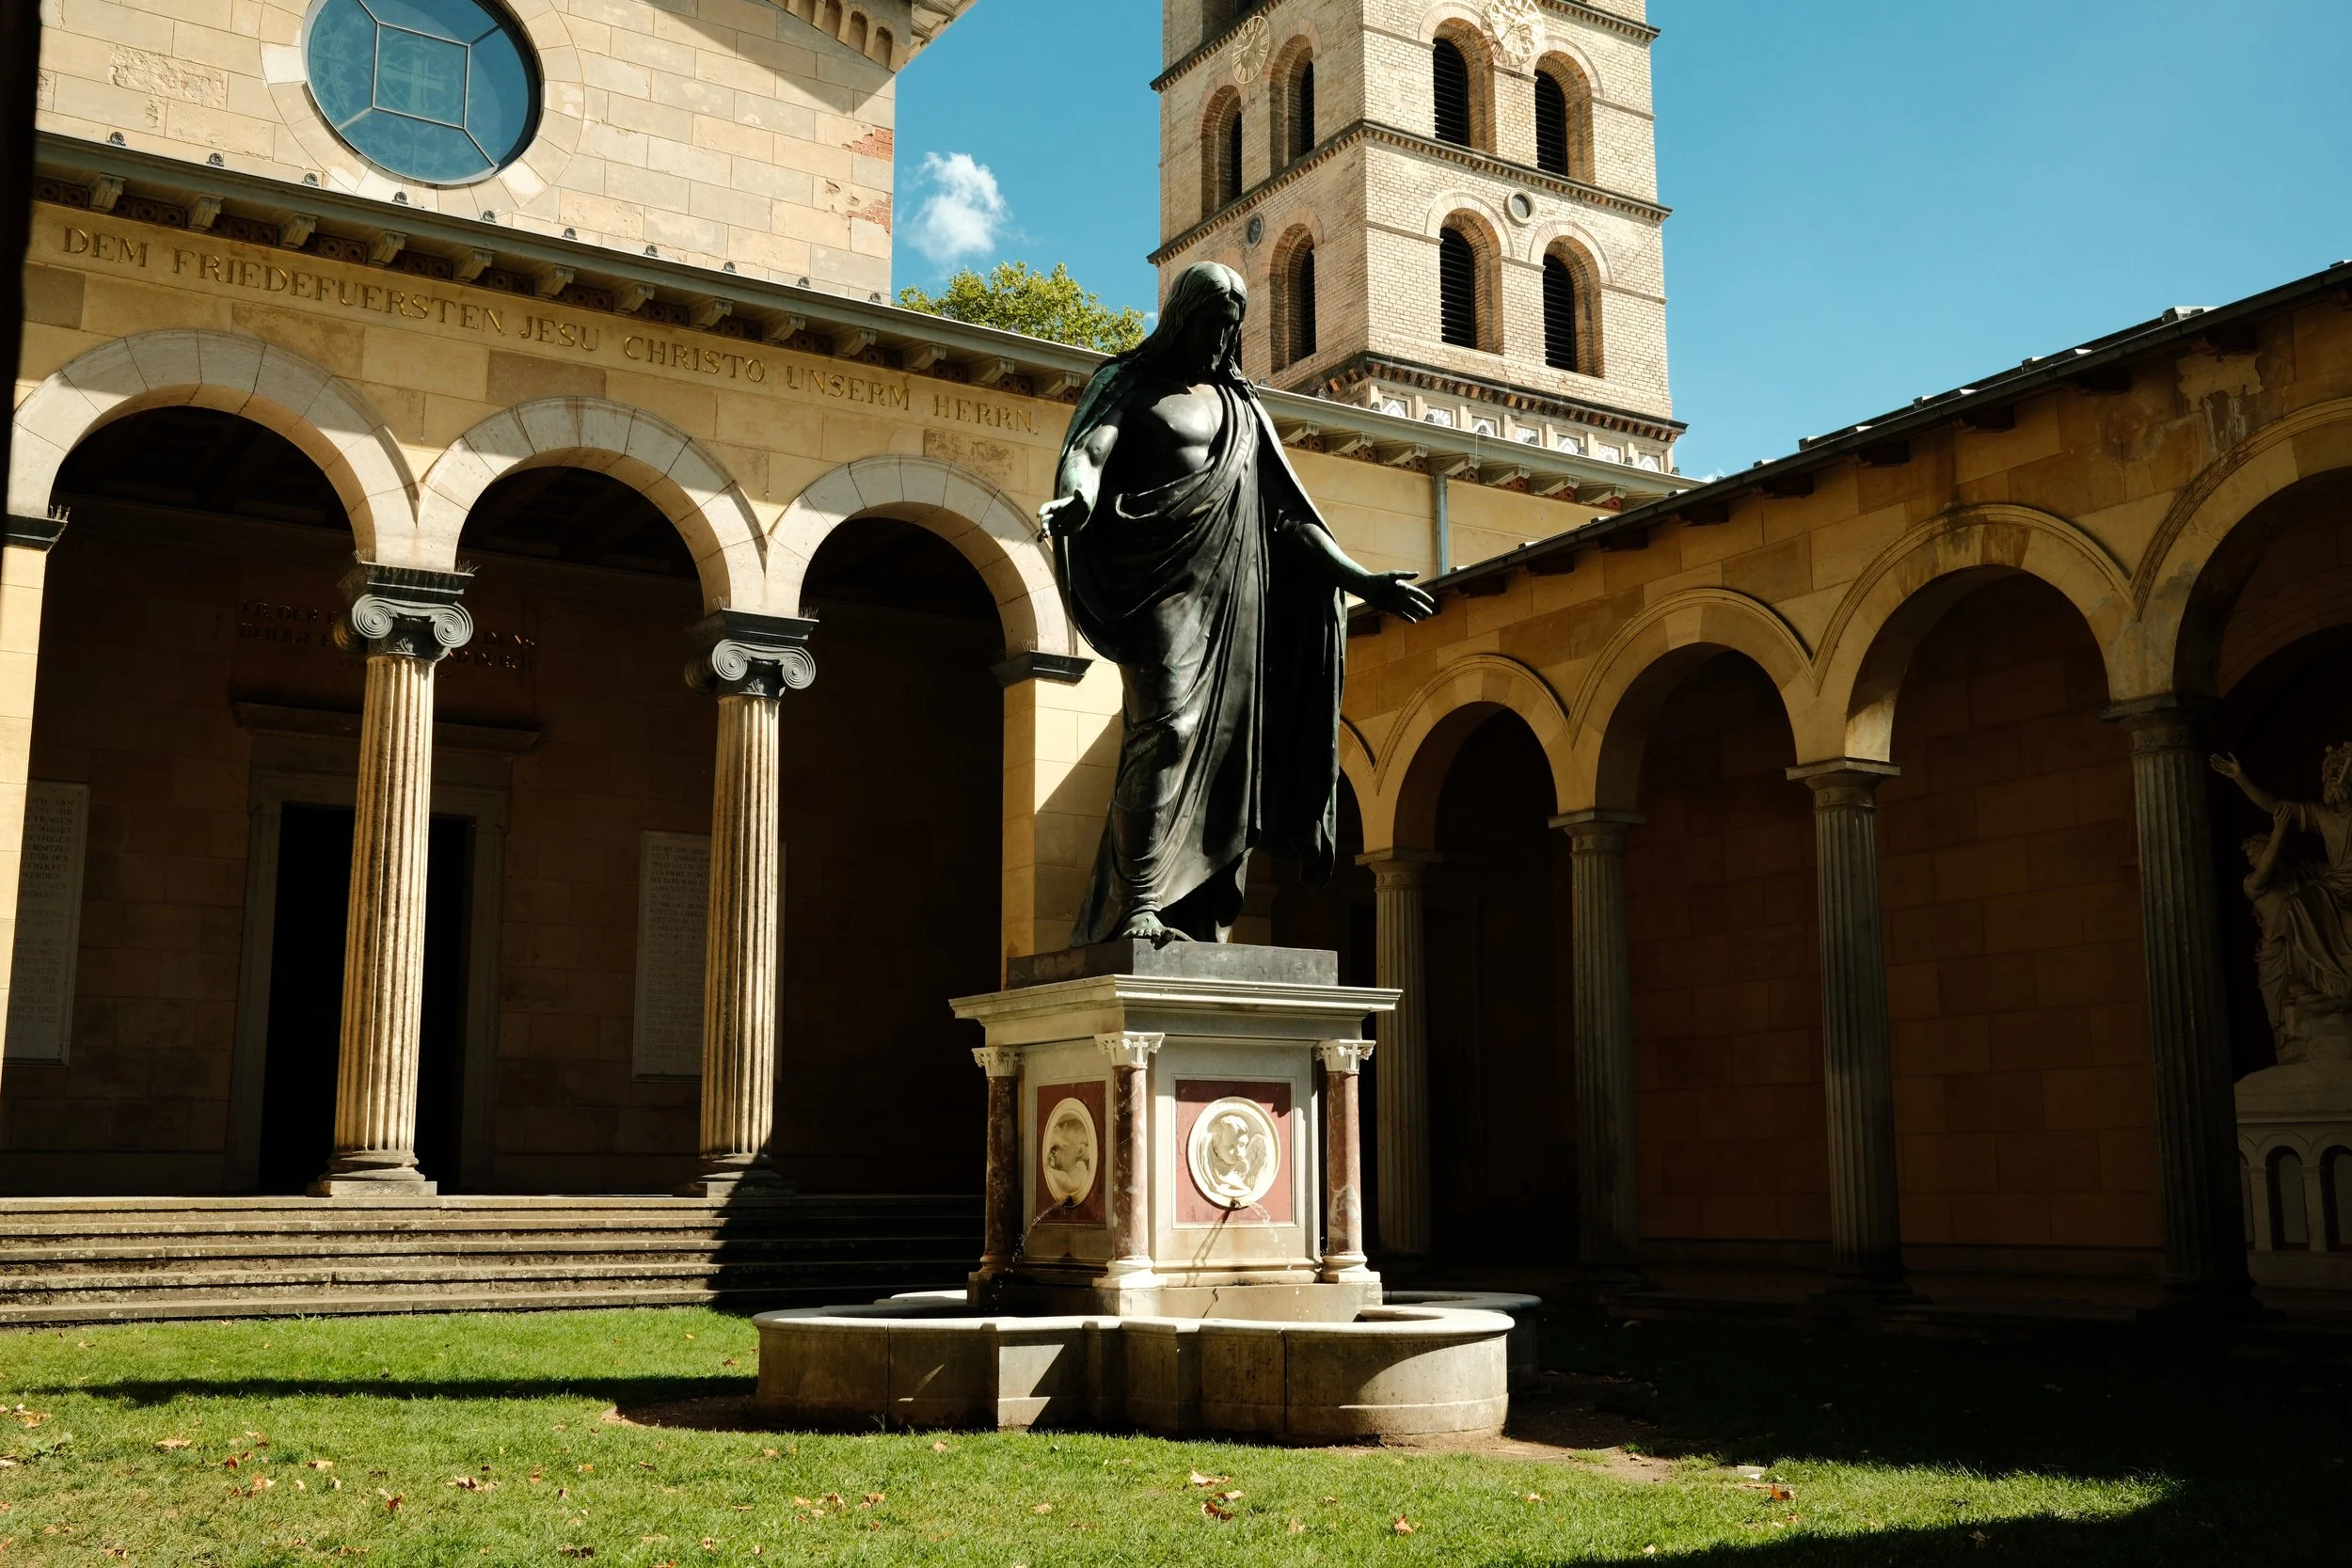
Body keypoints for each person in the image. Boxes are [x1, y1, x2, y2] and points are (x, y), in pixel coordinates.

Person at [1039, 262, 1435, 946]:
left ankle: (1199, 915)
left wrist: (1360, 580)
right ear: (1181, 319)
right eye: (1210, 326)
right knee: (1166, 730)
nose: (1219, 342)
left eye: (1230, 330)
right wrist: (1077, 497)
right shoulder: (1128, 382)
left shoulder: (1243, 408)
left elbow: (1292, 518)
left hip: (1236, 595)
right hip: (1162, 586)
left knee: (1229, 754)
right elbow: (1090, 452)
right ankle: (1137, 903)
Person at [2214, 746, 2352, 1046]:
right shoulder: (2321, 814)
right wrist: (2241, 778)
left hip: (2338, 883)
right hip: (2334, 885)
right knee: (2297, 904)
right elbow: (2275, 806)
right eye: (2326, 774)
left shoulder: (2303, 870)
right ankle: (2319, 983)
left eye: (2337, 772)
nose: (2331, 779)